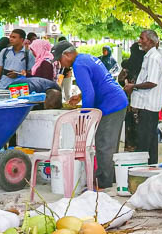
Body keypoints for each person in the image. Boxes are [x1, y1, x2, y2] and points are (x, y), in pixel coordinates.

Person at [53, 41, 128, 188]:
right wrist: (80, 97)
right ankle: (109, 178)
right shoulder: (85, 58)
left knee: (104, 144)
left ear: (67, 55)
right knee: (109, 144)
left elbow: (90, 93)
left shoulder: (78, 65)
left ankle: (103, 182)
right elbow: (94, 85)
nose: (60, 64)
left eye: (60, 60)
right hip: (116, 100)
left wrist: (85, 117)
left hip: (111, 104)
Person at [126, 30, 162, 163]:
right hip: (146, 104)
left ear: (151, 41)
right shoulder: (149, 56)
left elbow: (152, 82)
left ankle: (144, 169)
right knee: (150, 141)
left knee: (144, 143)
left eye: (142, 39)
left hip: (148, 106)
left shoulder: (154, 57)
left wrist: (133, 86)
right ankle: (151, 168)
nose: (140, 41)